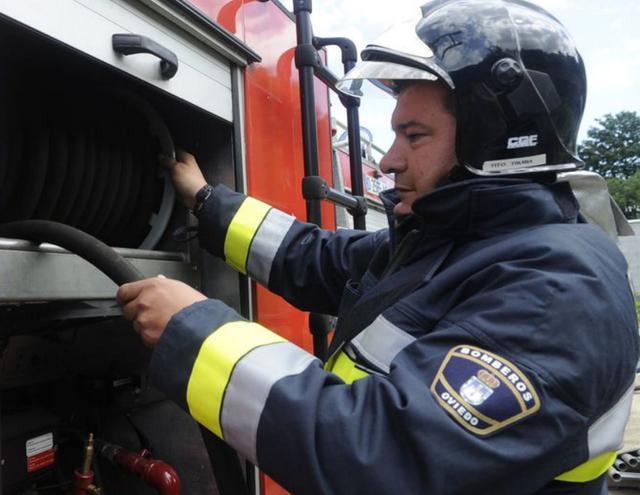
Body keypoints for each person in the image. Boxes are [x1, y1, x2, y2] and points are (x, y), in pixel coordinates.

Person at [116, 1, 638, 493]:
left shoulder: (560, 290)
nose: (388, 161)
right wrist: (207, 200)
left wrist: (194, 334)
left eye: (414, 136)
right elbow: (316, 258)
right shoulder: (456, 243)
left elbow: (380, 457)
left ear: (495, 140)